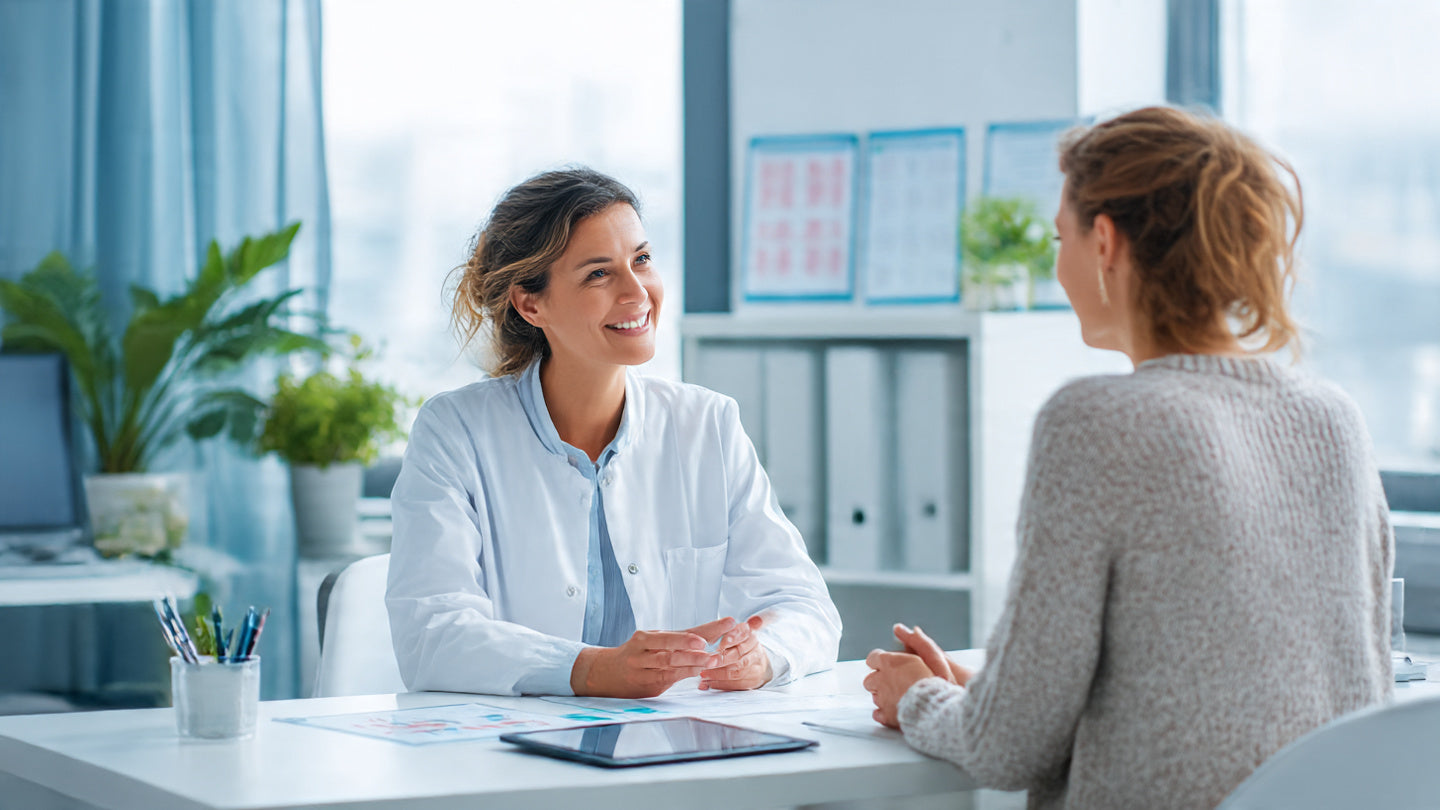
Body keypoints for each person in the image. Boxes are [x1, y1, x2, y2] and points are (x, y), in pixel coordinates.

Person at [865, 107, 1393, 809]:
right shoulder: (1335, 419)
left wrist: (920, 700)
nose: (1058, 264)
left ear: (1105, 242)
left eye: (1062, 237)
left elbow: (1005, 751)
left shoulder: (1095, 421)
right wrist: (980, 696)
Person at [386, 167, 841, 698]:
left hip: (677, 742)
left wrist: (763, 658)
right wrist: (593, 670)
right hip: (514, 748)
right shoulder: (456, 432)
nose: (637, 292)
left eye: (641, 260)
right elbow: (432, 634)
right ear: (531, 304)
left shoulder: (706, 424)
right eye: (599, 274)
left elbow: (805, 605)